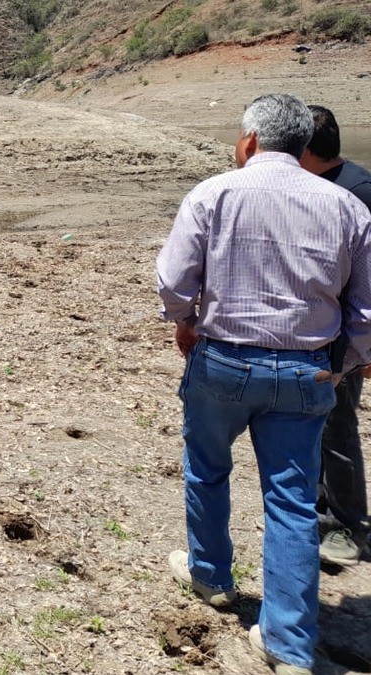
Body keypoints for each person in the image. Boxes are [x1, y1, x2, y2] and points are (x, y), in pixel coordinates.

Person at [157, 94, 371, 675]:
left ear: (250, 140)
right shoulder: (347, 207)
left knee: (206, 466)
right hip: (307, 372)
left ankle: (212, 577)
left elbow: (174, 282)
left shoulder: (213, 192)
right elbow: (366, 312)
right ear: (303, 144)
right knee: (293, 503)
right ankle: (289, 644)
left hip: (224, 360)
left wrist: (186, 323)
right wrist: (344, 364)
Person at [300, 104, 371, 567]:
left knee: (339, 427)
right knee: (319, 425)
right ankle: (324, 512)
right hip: (318, 330)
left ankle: (349, 526)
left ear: (305, 148)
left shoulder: (358, 193)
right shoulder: (319, 184)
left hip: (345, 336)